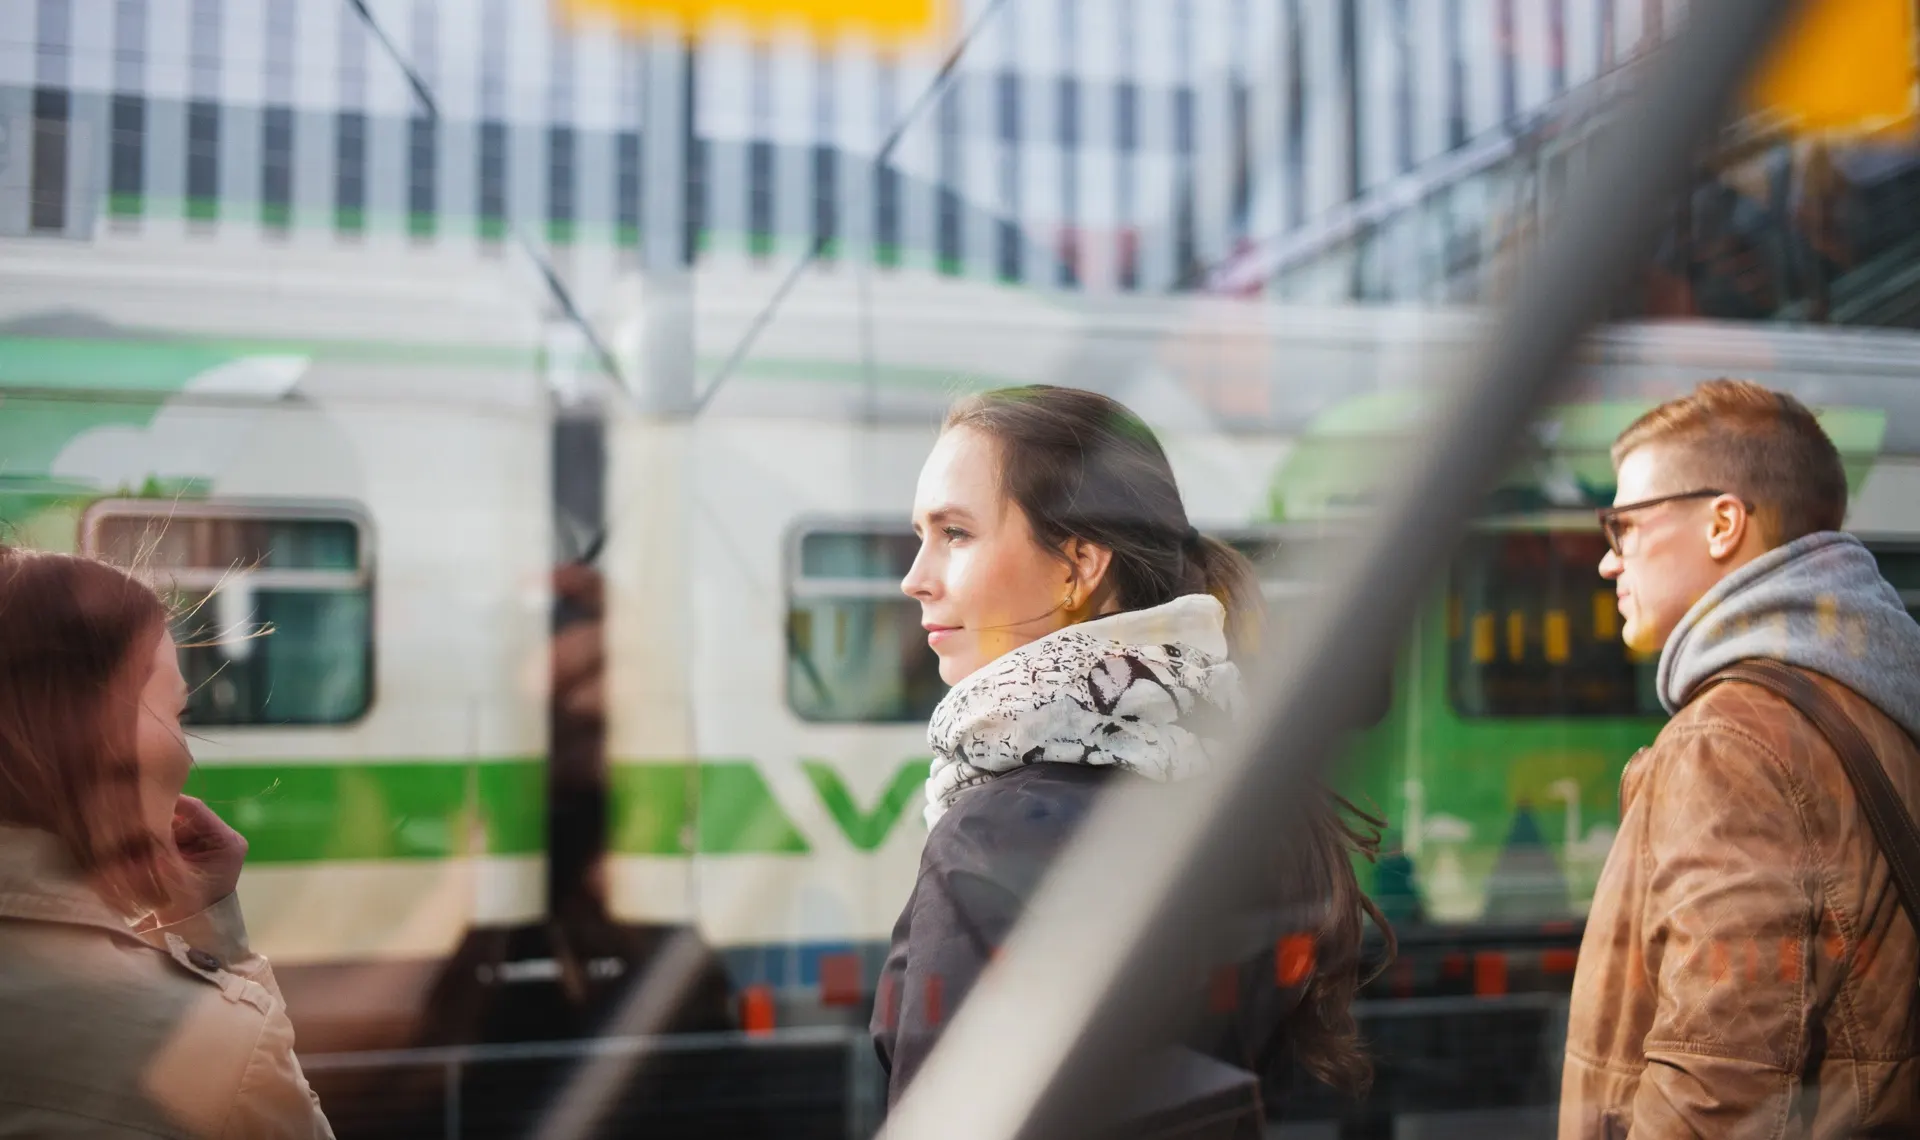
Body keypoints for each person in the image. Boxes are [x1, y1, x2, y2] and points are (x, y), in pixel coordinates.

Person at [870, 385, 1389, 1121]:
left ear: (1078, 565)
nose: (915, 577)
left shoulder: (997, 833)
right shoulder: (1224, 783)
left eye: (955, 533)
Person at [1561, 380, 1920, 1138]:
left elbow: (1716, 1082)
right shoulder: (1872, 696)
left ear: (1724, 522)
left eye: (1621, 526)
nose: (1607, 562)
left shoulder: (1727, 738)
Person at [0, 546, 335, 1138]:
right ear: (100, 743)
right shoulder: (213, 1050)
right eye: (176, 715)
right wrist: (214, 947)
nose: (184, 752)